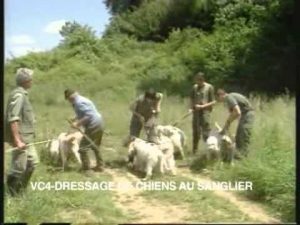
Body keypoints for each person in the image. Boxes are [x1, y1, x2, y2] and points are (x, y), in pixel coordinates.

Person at [5, 68, 39, 196]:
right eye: (31, 79)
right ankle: (11, 193)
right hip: (21, 138)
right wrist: (17, 140)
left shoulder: (22, 94)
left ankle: (20, 190)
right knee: (18, 167)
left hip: (27, 138)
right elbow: (13, 119)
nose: (32, 81)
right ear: (26, 81)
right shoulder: (19, 95)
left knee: (32, 162)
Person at [64, 89, 104, 174]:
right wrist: (75, 118)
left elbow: (88, 115)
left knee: (82, 148)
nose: (69, 101)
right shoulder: (82, 100)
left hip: (93, 124)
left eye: (69, 99)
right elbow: (85, 113)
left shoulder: (79, 103)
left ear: (71, 96)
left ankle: (87, 170)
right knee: (95, 146)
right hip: (99, 122)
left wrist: (77, 124)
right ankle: (100, 166)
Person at [216, 88, 255, 157]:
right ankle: (239, 155)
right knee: (239, 136)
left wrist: (228, 122)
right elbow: (234, 114)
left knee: (244, 134)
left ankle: (244, 156)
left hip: (247, 114)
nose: (219, 101)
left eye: (218, 98)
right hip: (244, 114)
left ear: (221, 95)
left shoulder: (229, 97)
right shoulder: (229, 99)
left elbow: (237, 112)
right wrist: (227, 126)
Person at [189, 72, 216, 154]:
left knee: (206, 132)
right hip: (196, 113)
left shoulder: (209, 87)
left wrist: (203, 106)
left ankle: (208, 150)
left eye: (199, 80)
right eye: (197, 80)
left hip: (205, 112)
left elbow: (213, 101)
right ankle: (195, 151)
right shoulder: (194, 87)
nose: (197, 82)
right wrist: (191, 108)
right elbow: (191, 98)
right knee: (196, 132)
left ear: (203, 80)